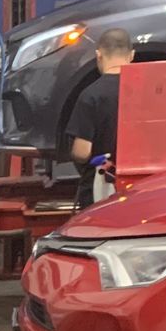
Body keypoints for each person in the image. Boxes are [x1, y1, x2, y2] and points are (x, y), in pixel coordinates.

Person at [65, 26, 136, 206]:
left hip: (102, 189)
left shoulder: (91, 95)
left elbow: (82, 152)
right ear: (132, 55)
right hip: (140, 187)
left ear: (98, 55)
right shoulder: (147, 91)